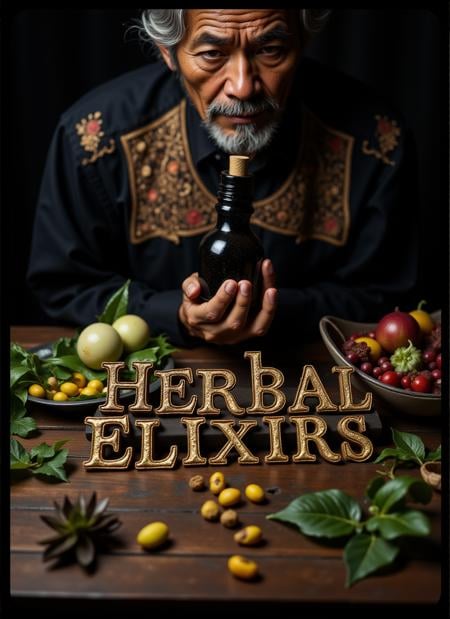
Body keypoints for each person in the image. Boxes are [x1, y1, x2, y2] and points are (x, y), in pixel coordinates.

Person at [27, 9, 418, 348]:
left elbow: (385, 295)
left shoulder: (373, 140)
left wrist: (272, 311)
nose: (243, 86)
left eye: (271, 50)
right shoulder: (96, 138)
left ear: (302, 42)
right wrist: (174, 316)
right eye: (212, 53)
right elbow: (65, 285)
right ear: (169, 53)